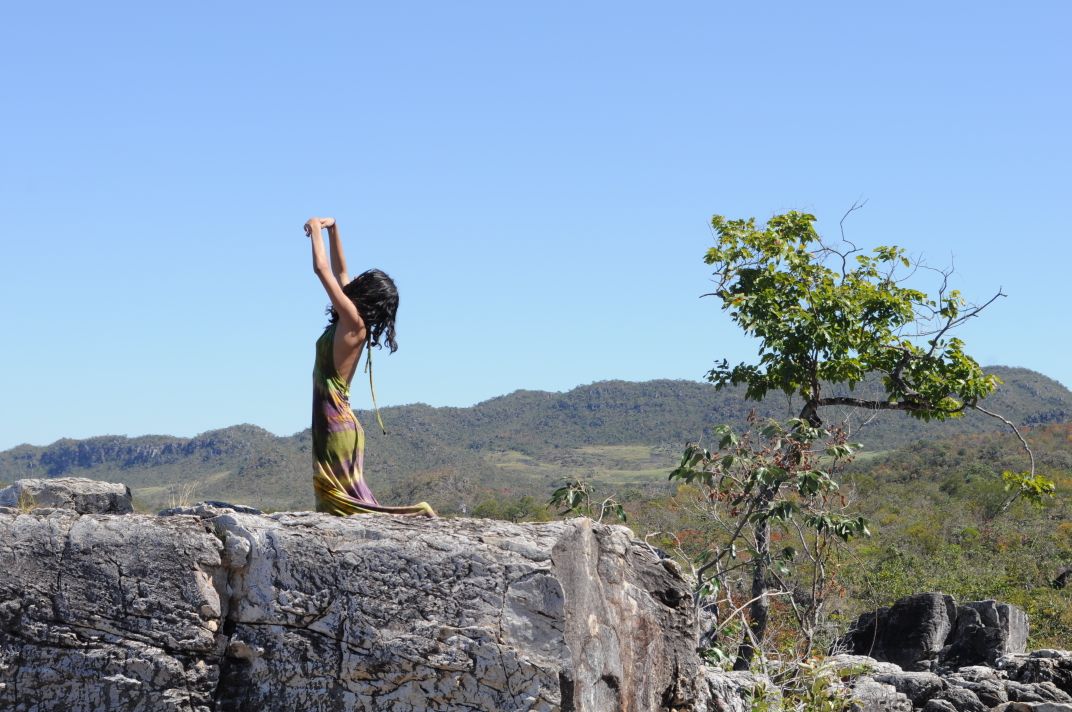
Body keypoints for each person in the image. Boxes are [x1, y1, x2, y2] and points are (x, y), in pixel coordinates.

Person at [303, 216, 435, 517]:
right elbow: (341, 271)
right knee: (349, 500)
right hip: (340, 423)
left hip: (334, 423)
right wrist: (334, 229)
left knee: (337, 502)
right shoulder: (353, 320)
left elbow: (323, 270)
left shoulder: (352, 321)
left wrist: (314, 230)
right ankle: (412, 515)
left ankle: (415, 513)